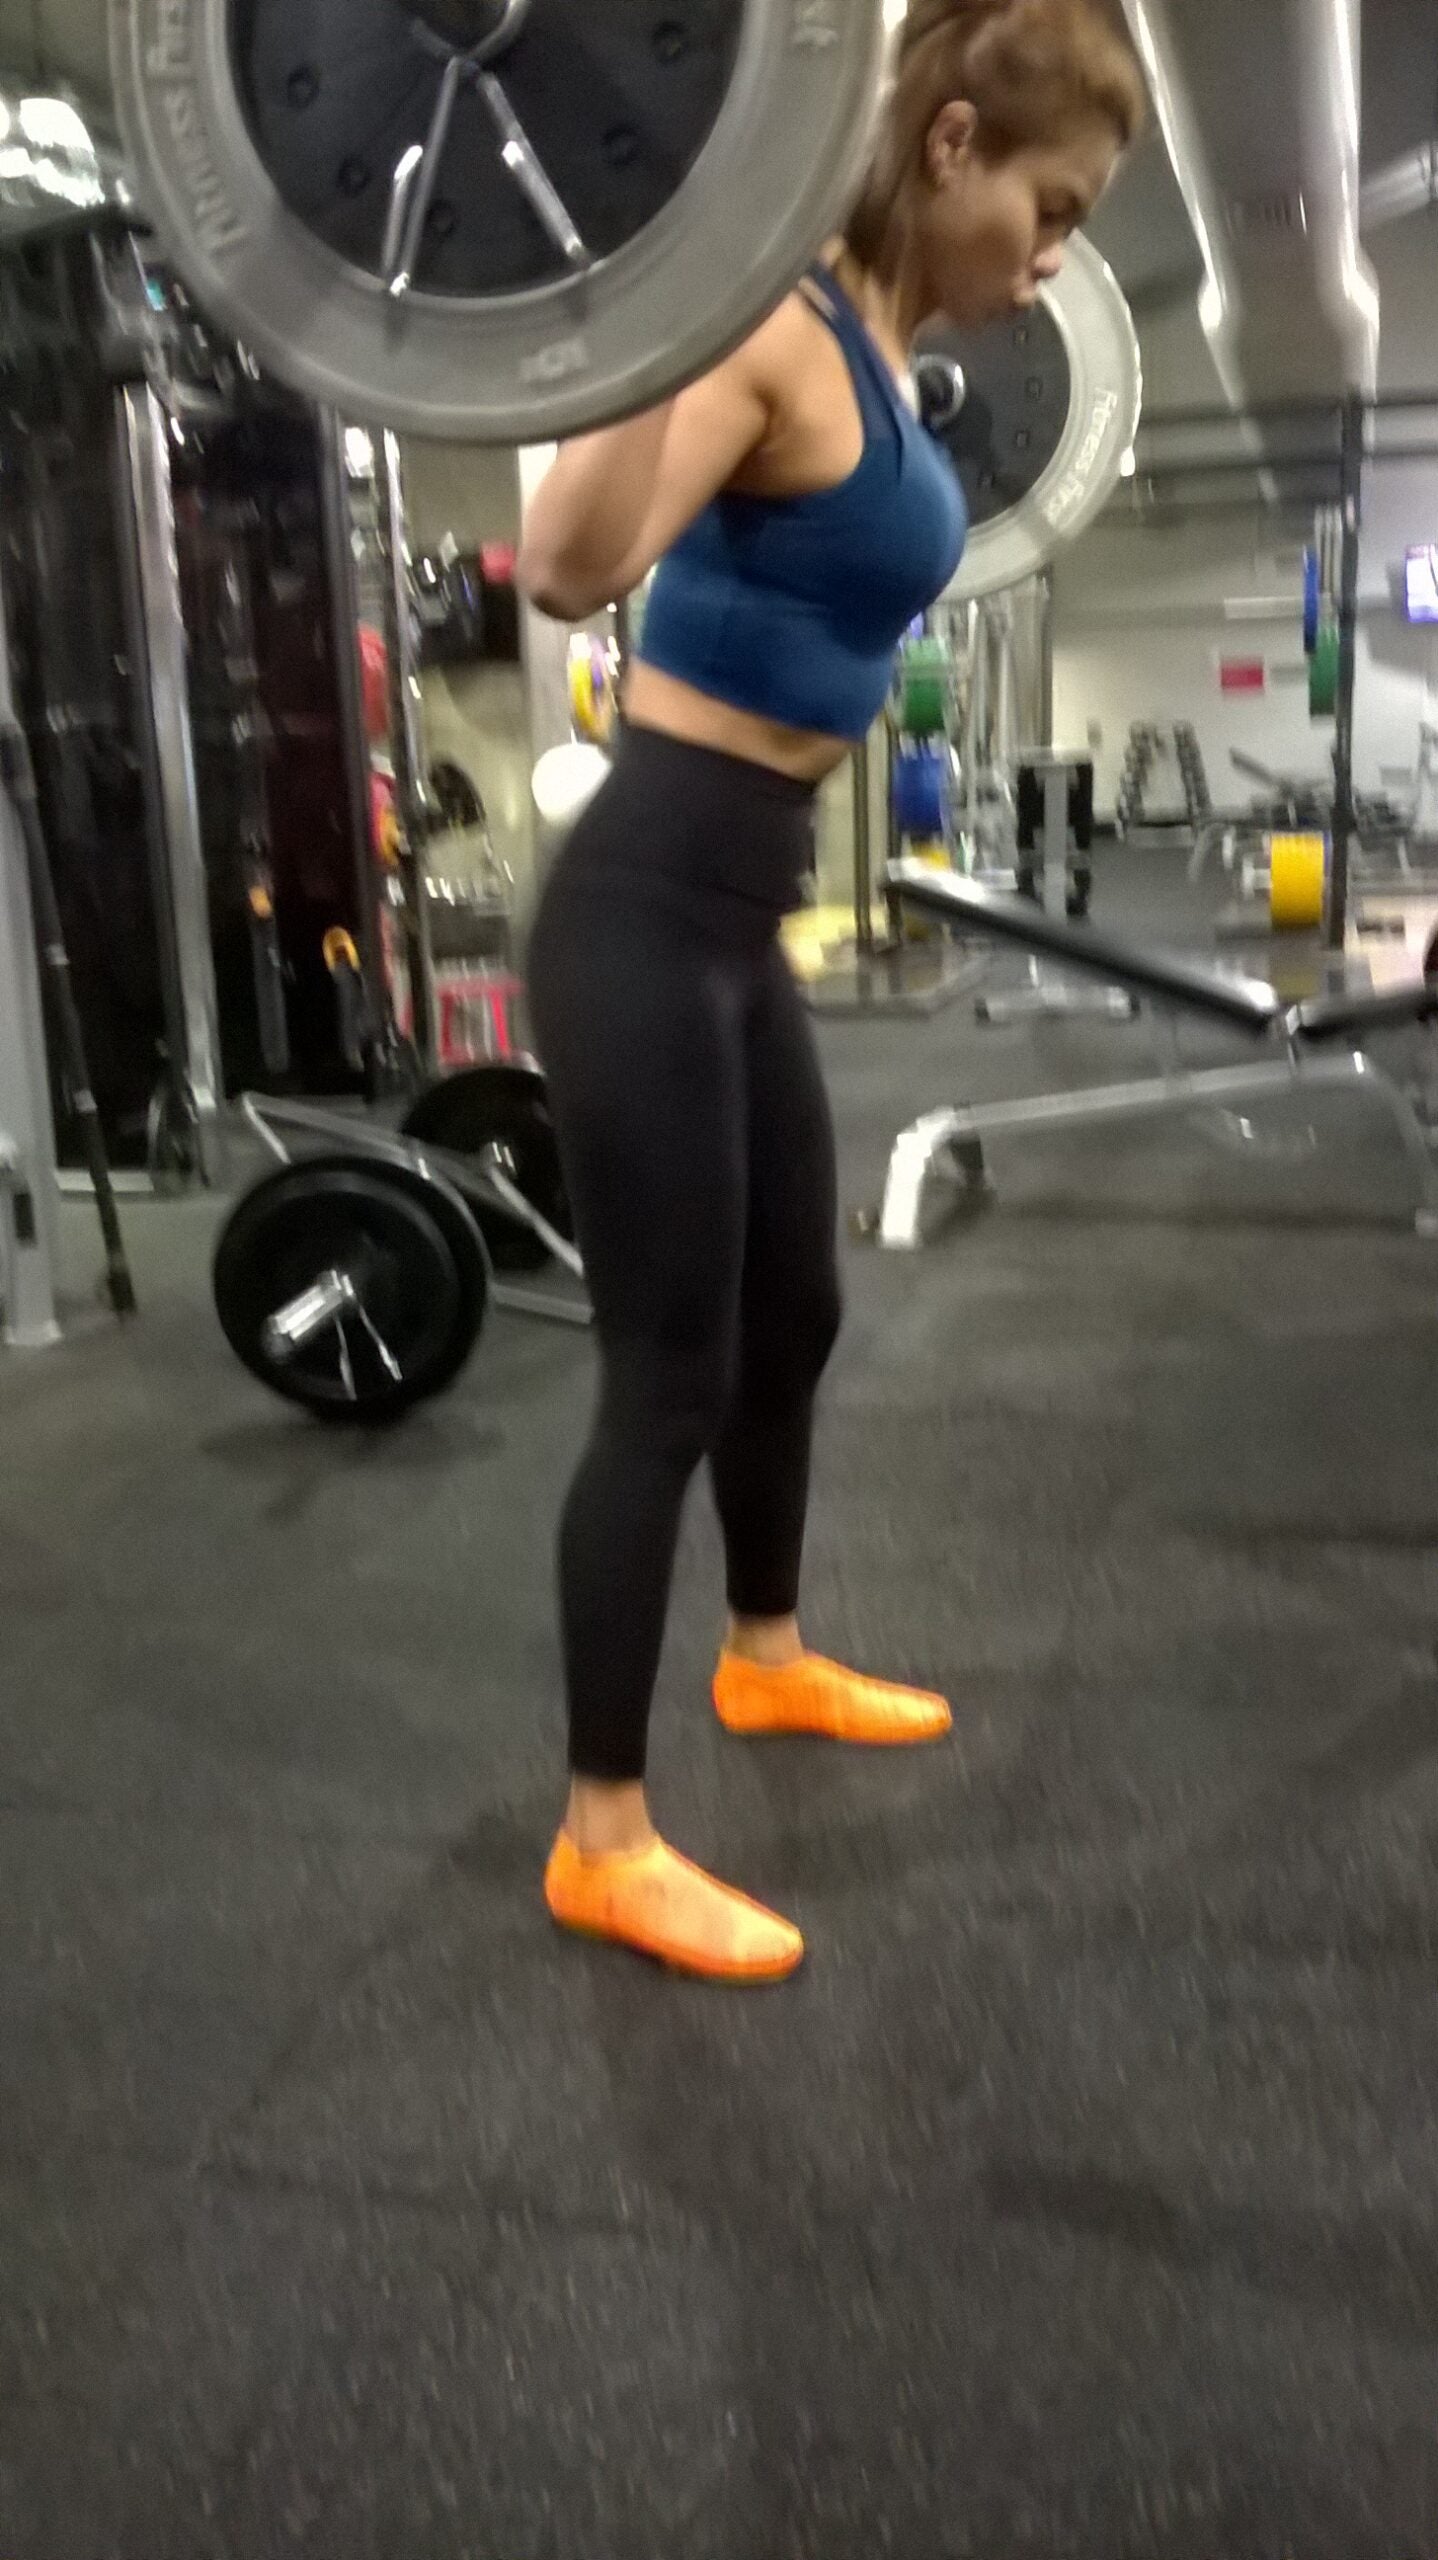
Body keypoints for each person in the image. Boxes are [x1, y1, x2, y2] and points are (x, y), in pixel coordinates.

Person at [517, 0, 1145, 1985]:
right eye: (1051, 208)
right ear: (949, 145)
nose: (1051, 254)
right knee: (666, 1373)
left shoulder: (876, 349)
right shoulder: (768, 328)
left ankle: (764, 1651)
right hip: (643, 904)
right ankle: (600, 1835)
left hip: (738, 914)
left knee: (789, 1315)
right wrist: (663, 307)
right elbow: (562, 566)